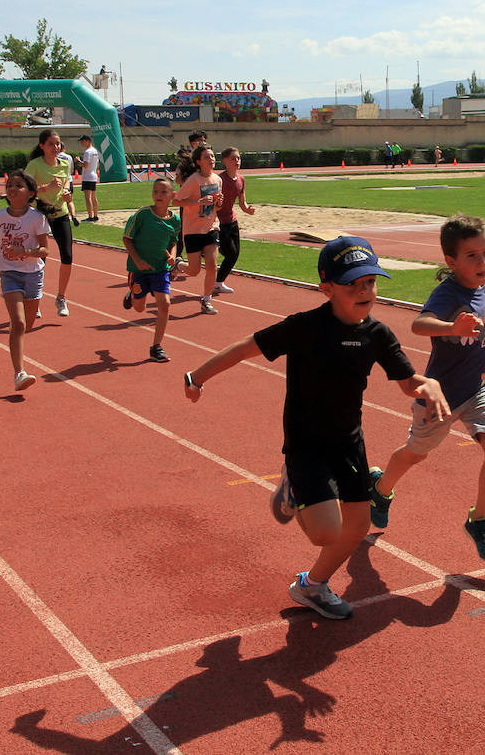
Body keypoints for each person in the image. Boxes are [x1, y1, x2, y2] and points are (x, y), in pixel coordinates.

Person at [180, 236, 450, 620]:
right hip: (306, 444)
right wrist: (197, 377)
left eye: (370, 282)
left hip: (348, 443)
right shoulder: (304, 328)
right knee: (325, 532)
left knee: (356, 528)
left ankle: (311, 586)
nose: (364, 291)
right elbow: (244, 348)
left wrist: (431, 384)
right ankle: (293, 486)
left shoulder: (377, 335)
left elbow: (407, 382)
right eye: (352, 284)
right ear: (326, 289)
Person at [369, 214, 485, 561]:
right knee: (415, 454)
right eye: (472, 256)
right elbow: (419, 324)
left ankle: (478, 520)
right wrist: (452, 327)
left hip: (479, 389)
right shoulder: (448, 292)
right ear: (451, 261)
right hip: (441, 396)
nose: (483, 262)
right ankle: (381, 489)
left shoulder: (482, 286)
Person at [0, 170, 51, 392]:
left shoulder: (37, 218)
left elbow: (45, 250)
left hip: (33, 274)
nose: (12, 188)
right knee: (18, 323)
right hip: (9, 272)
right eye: (9, 185)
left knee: (27, 325)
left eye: (18, 185)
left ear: (30, 192)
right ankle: (19, 373)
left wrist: (26, 251)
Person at [121, 177, 181, 363]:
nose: (159, 195)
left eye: (164, 192)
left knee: (164, 304)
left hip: (160, 269)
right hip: (138, 269)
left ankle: (156, 347)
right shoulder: (143, 215)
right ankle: (132, 295)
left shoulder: (175, 220)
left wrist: (172, 256)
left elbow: (173, 242)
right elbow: (127, 238)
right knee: (139, 308)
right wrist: (138, 261)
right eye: (155, 191)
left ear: (173, 195)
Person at [24, 129, 76, 316]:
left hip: (60, 213)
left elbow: (67, 184)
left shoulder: (64, 164)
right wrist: (47, 187)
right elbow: (25, 190)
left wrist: (68, 193)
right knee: (40, 258)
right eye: (51, 144)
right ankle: (35, 298)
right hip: (40, 214)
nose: (56, 147)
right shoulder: (34, 165)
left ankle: (61, 297)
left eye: (58, 144)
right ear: (42, 146)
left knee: (67, 256)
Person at [174, 142, 223, 314]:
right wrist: (198, 202)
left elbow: (216, 207)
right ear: (198, 162)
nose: (211, 159)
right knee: (194, 271)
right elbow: (176, 201)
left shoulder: (218, 180)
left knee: (212, 265)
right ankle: (178, 265)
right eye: (207, 157)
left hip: (211, 227)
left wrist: (218, 204)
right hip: (193, 230)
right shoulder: (193, 180)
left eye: (212, 156)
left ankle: (206, 300)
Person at [214, 146, 256, 296]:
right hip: (219, 222)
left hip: (232, 221)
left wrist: (247, 209)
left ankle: (218, 283)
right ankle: (211, 249)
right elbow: (213, 202)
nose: (237, 161)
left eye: (238, 158)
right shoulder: (219, 179)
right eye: (233, 158)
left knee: (235, 254)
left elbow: (242, 203)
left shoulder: (241, 180)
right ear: (225, 161)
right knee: (230, 252)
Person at [73, 135, 102, 222]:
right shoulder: (95, 151)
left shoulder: (87, 152)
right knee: (93, 197)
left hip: (88, 176)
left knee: (88, 197)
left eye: (82, 141)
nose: (81, 143)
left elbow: (85, 165)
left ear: (87, 141)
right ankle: (96, 215)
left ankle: (90, 216)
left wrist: (78, 161)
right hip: (93, 175)